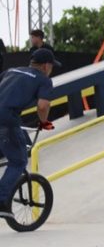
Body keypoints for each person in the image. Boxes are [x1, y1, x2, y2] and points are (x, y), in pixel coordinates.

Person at [0, 48, 58, 218]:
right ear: (46, 66)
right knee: (18, 161)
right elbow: (42, 106)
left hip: (6, 119)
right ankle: (2, 201)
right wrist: (44, 122)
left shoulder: (11, 71)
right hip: (6, 120)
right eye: (52, 66)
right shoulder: (44, 80)